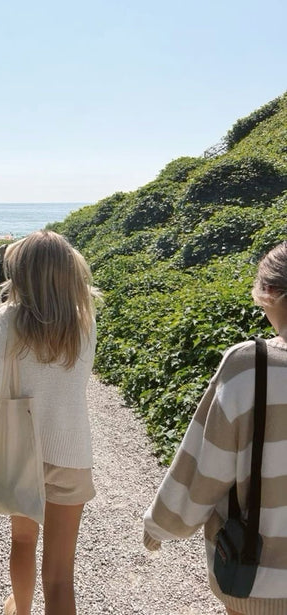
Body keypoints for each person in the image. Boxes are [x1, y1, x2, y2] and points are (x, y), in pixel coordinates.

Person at [0, 230, 98, 615]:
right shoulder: (84, 321)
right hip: (72, 454)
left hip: (21, 451)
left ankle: (22, 609)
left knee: (24, 542)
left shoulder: (6, 319)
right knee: (61, 575)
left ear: (22, 273)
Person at [143, 241, 287, 615]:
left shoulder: (250, 366)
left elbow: (205, 468)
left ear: (268, 292)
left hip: (257, 578)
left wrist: (162, 525)